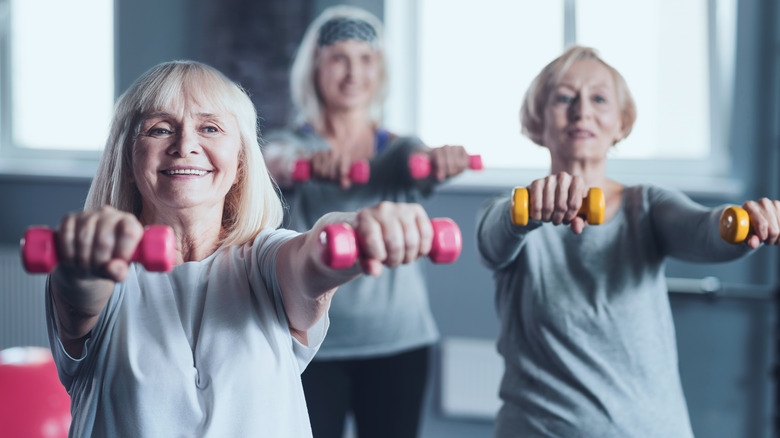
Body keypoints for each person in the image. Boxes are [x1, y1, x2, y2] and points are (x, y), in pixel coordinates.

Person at [44, 60, 440, 437]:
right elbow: (81, 292)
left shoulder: (264, 259)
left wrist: (359, 228)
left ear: (241, 164)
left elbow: (314, 256)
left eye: (211, 129)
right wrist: (85, 262)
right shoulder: (106, 274)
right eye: (159, 129)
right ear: (128, 161)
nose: (185, 145)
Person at [475, 45, 780, 437]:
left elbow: (704, 230)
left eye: (599, 98)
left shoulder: (647, 205)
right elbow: (491, 241)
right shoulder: (513, 210)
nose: (581, 110)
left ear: (621, 123)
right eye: (564, 97)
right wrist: (529, 210)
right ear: (536, 122)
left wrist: (744, 222)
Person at [262, 6, 474, 438]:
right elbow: (273, 161)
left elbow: (421, 166)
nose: (353, 72)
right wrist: (307, 164)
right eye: (339, 57)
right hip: (310, 343)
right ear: (315, 66)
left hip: (399, 341)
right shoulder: (294, 143)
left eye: (365, 58)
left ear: (380, 69)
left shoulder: (399, 150)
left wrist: (439, 162)